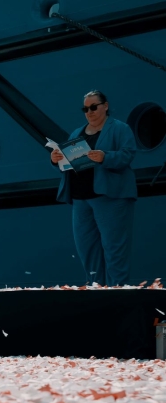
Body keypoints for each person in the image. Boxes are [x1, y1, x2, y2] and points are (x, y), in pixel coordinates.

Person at [50, 90, 137, 286]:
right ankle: (96, 291)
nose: (89, 112)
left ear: (105, 106)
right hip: (81, 199)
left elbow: (128, 154)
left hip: (110, 197)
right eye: (85, 109)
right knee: (87, 250)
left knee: (114, 249)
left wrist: (105, 157)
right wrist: (56, 160)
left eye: (93, 107)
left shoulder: (120, 129)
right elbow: (68, 164)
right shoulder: (77, 133)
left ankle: (118, 293)